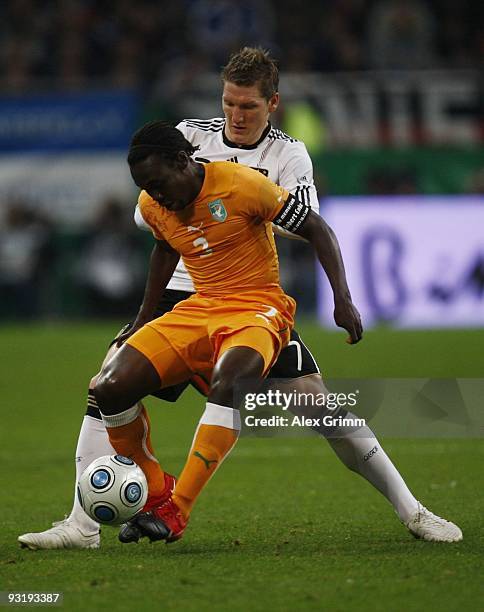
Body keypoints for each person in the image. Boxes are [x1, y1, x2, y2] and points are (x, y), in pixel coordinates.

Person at [19, 48, 461, 550]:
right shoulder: (188, 135)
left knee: (322, 409)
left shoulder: (286, 156)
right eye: (229, 103)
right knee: (106, 386)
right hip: (183, 294)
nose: (237, 115)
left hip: (249, 296)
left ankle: (413, 511)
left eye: (248, 106)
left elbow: (304, 225)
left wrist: (243, 209)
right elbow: (156, 221)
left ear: (272, 104)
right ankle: (82, 524)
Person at [93, 120, 363, 544]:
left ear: (183, 160)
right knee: (108, 387)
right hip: (200, 307)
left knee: (229, 383)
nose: (155, 194)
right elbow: (165, 247)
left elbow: (317, 228)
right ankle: (156, 489)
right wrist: (144, 318)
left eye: (158, 183)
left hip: (258, 306)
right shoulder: (152, 204)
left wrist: (342, 299)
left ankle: (176, 509)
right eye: (145, 187)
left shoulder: (241, 184)